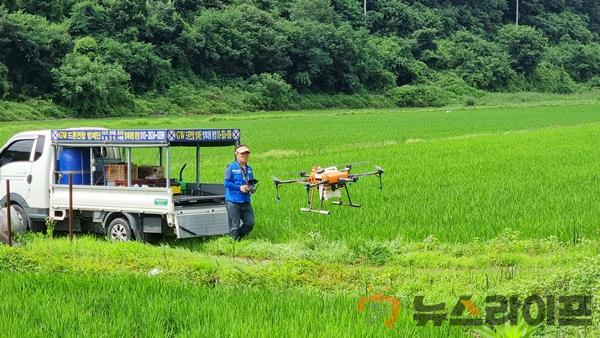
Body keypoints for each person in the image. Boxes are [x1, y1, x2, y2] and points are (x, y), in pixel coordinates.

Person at [224, 144, 255, 240]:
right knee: (234, 225)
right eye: (242, 154)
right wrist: (239, 187)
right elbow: (226, 183)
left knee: (250, 223)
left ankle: (237, 238)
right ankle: (234, 245)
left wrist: (251, 188)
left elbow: (251, 182)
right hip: (233, 201)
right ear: (236, 154)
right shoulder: (231, 167)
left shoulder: (249, 169)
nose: (244, 156)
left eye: (246, 154)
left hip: (245, 200)